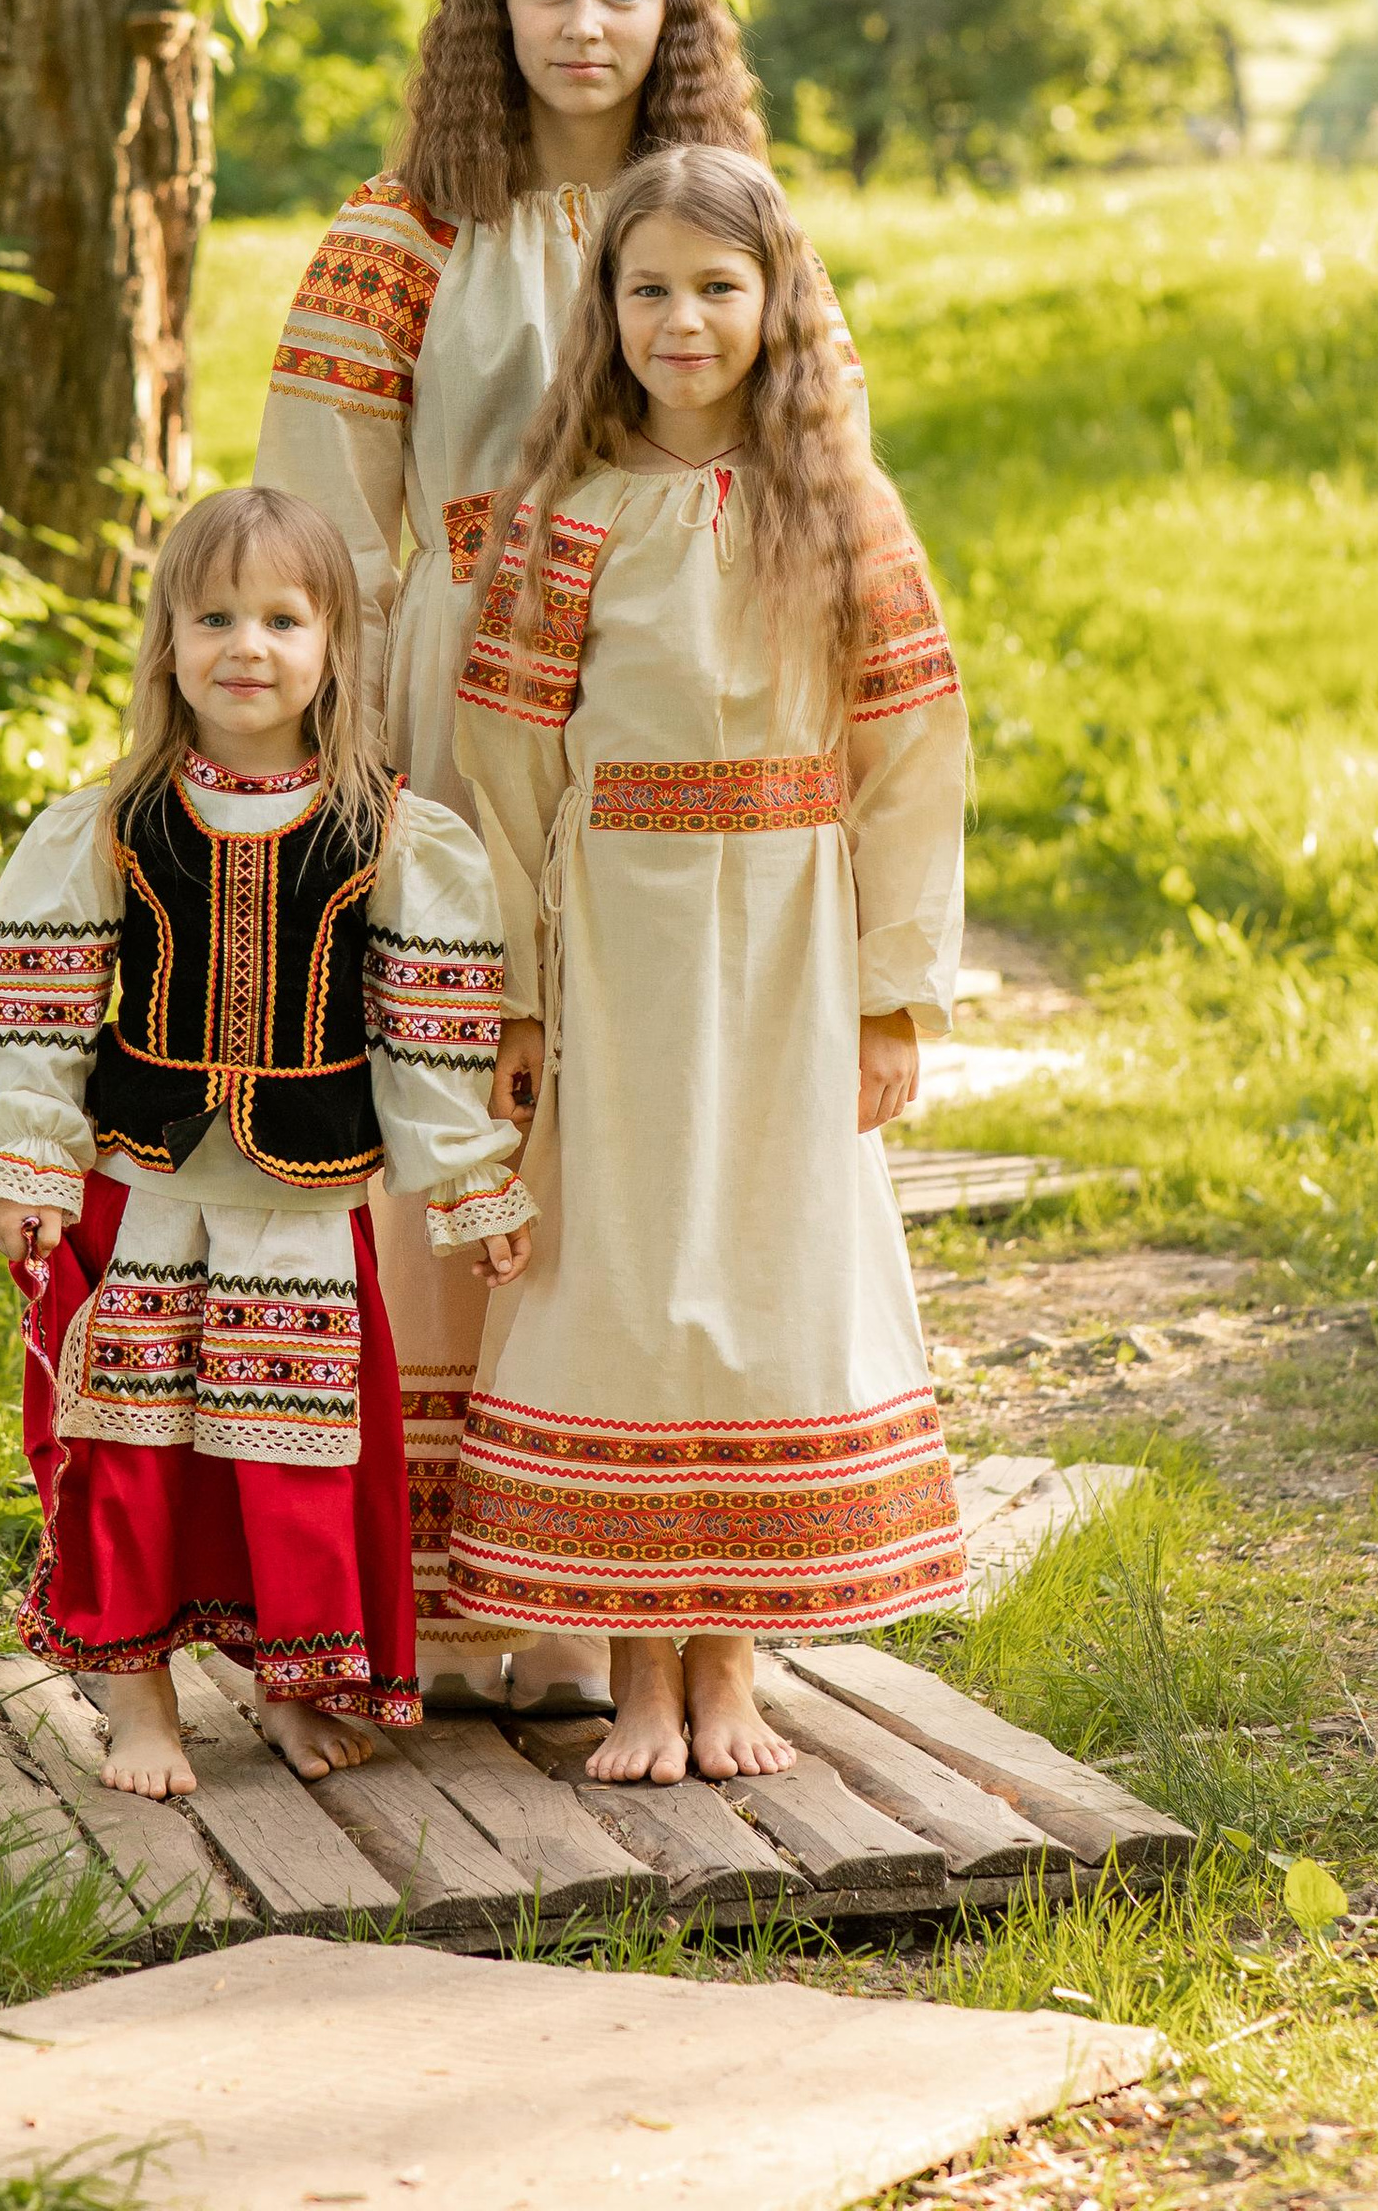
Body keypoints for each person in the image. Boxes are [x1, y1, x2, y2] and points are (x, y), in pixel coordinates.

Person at [255, 0, 834, 1702]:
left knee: (648, 1127)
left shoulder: (715, 220)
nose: (584, 29)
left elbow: (812, 487)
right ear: (488, 12)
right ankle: (455, 1600)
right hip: (459, 712)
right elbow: (326, 522)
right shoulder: (404, 228)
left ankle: (639, 1567)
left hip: (670, 726)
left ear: (676, 21)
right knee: (467, 1101)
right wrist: (326, 754)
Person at [443, 145, 968, 1785]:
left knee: (762, 1256)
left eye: (718, 289)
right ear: (604, 310)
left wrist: (893, 988)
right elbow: (507, 765)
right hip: (622, 931)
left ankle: (730, 1662)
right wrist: (518, 993)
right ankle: (636, 1674)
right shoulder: (567, 515)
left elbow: (912, 753)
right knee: (620, 1253)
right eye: (650, 288)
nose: (684, 320)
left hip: (797, 939)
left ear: (778, 304)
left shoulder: (843, 505)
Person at [0, 486, 534, 1799]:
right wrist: (30, 1161)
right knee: (131, 1445)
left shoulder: (382, 829)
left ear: (336, 646)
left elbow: (431, 1030)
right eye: (213, 615)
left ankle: (292, 1686)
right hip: (143, 1182)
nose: (247, 646)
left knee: (292, 1453)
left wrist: (468, 1180)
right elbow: (43, 999)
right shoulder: (113, 820)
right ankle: (140, 1703)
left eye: (284, 617)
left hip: (300, 1197)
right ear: (166, 639)